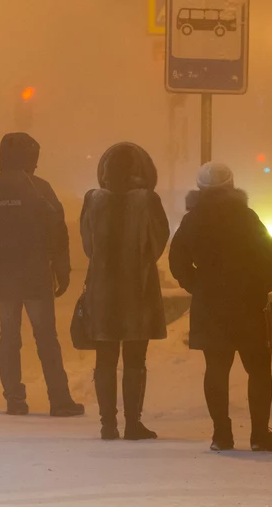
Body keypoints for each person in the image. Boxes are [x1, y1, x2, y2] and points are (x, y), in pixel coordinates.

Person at [168, 162, 272, 452]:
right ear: (232, 186)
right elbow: (270, 254)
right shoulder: (246, 217)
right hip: (248, 304)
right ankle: (259, 435)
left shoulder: (192, 220)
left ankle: (221, 435)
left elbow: (177, 260)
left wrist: (197, 285)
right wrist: (266, 284)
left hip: (210, 306)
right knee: (258, 369)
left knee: (216, 369)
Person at [0, 133, 83, 417]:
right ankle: (59, 398)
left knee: (8, 335)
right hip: (35, 276)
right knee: (46, 336)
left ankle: (15, 399)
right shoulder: (40, 189)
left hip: (3, 278)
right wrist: (62, 269)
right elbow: (58, 233)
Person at [80, 143, 170, 440]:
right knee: (135, 360)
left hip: (102, 290)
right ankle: (133, 423)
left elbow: (88, 246)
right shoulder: (148, 200)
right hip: (138, 290)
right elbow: (158, 242)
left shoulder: (92, 201)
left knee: (104, 359)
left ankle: (108, 425)